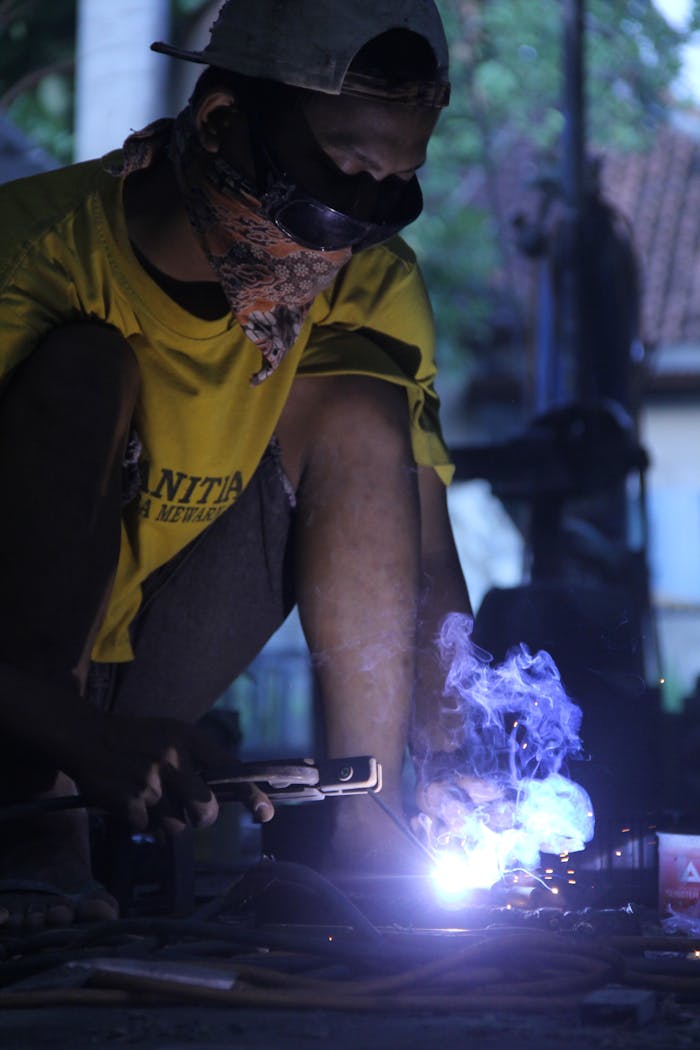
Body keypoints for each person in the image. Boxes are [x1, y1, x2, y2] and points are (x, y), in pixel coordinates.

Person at [0, 0, 472, 932]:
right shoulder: (30, 261)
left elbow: (422, 560)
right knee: (88, 365)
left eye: (393, 190)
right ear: (221, 122)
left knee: (362, 406)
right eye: (341, 177)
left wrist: (461, 759)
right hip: (18, 694)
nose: (352, 232)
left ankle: (372, 843)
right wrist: (67, 730)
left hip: (139, 684)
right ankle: (34, 837)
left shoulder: (371, 286)